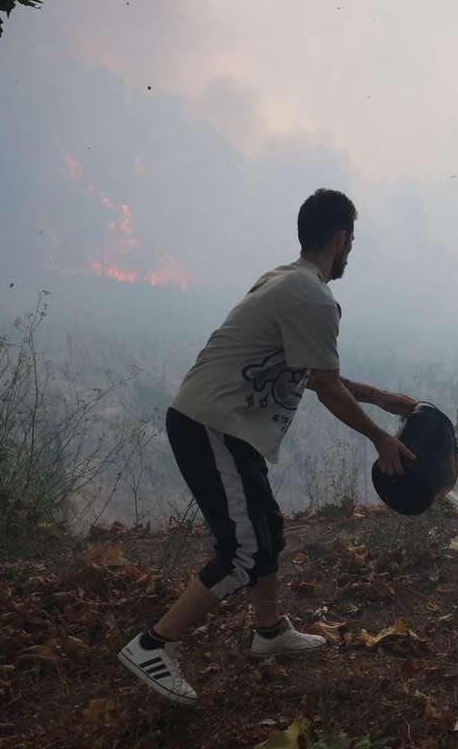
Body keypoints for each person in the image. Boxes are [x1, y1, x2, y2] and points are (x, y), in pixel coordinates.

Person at [118, 188, 418, 706]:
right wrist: (379, 437)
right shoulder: (314, 297)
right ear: (341, 238)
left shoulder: (287, 279)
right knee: (243, 551)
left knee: (266, 529)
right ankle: (152, 645)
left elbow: (315, 372)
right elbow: (326, 388)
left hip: (224, 424)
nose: (351, 250)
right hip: (212, 423)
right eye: (352, 240)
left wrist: (382, 398)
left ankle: (269, 631)